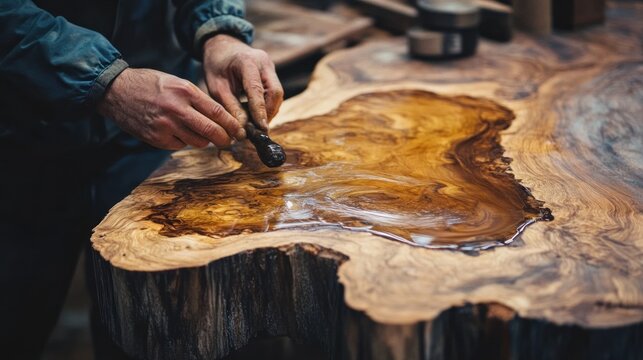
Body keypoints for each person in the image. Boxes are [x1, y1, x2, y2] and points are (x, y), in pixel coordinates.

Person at [0, 1, 283, 358]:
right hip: (15, 136)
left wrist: (219, 30)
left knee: (147, 322)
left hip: (148, 133)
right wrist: (104, 80)